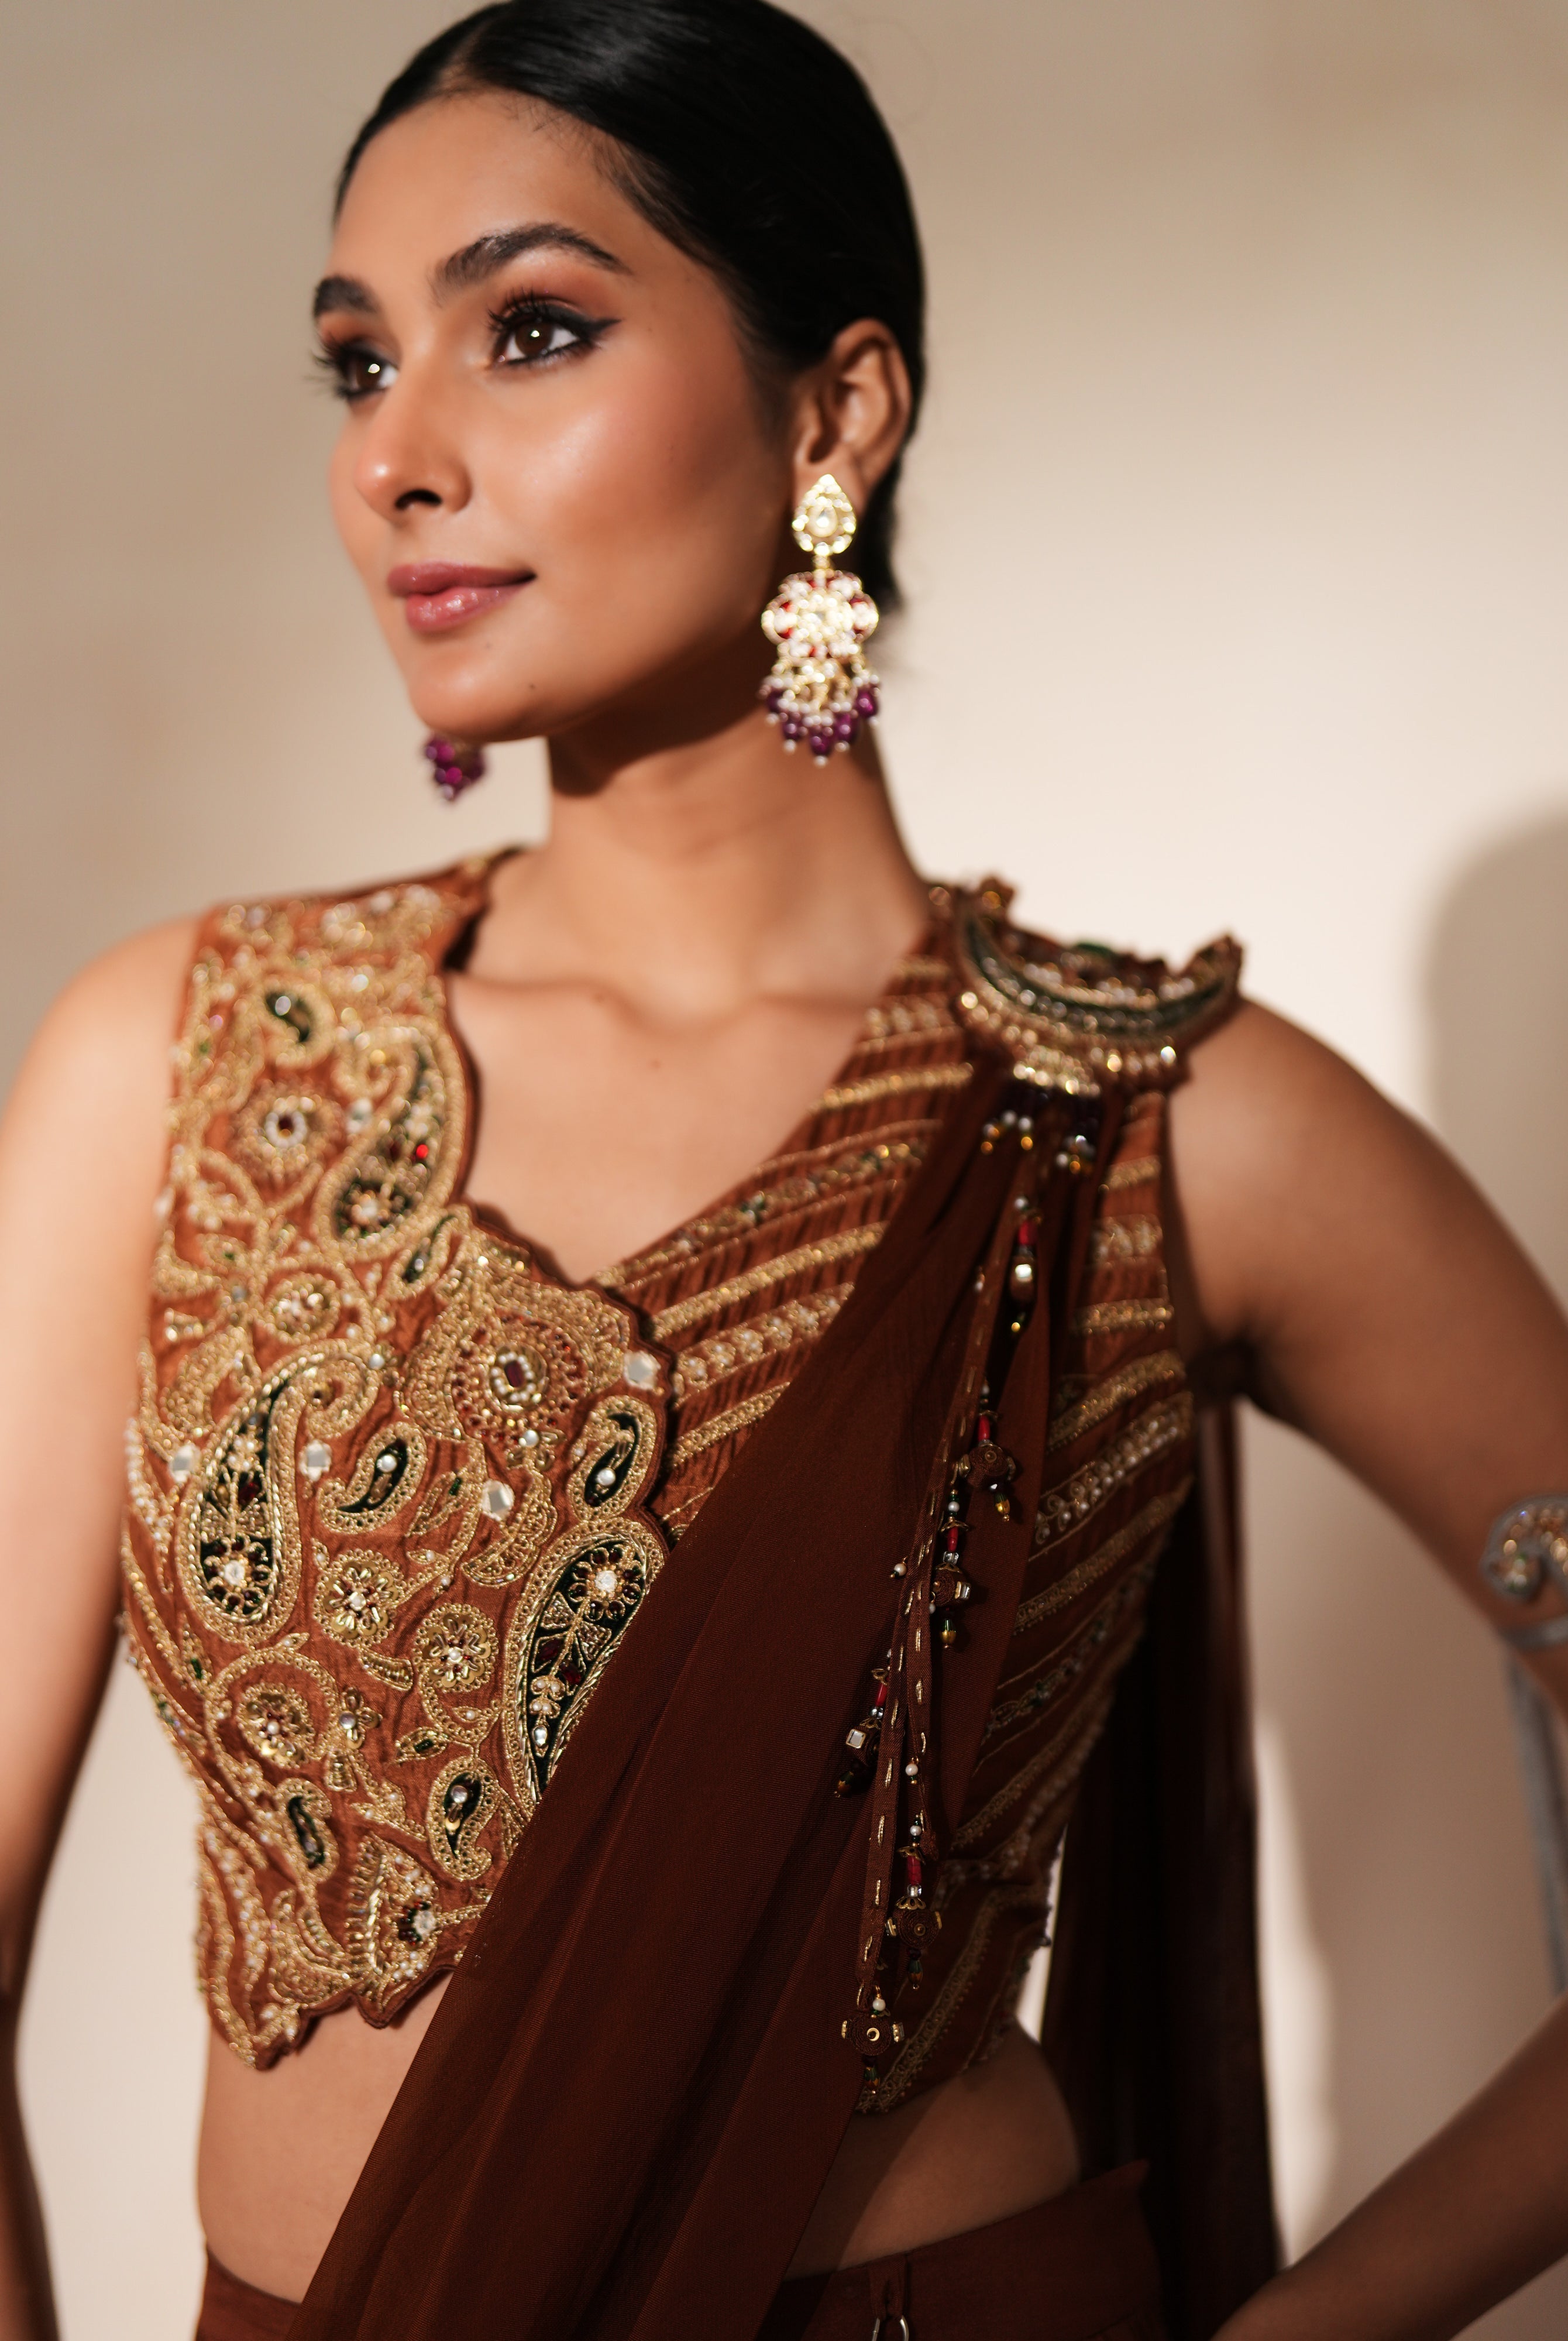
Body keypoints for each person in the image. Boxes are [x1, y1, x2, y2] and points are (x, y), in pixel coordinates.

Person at [2, 4, 1567, 2335]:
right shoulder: (187, 1059)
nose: (399, 456)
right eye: (355, 364)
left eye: (530, 331)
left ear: (836, 407)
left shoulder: (1152, 1123)